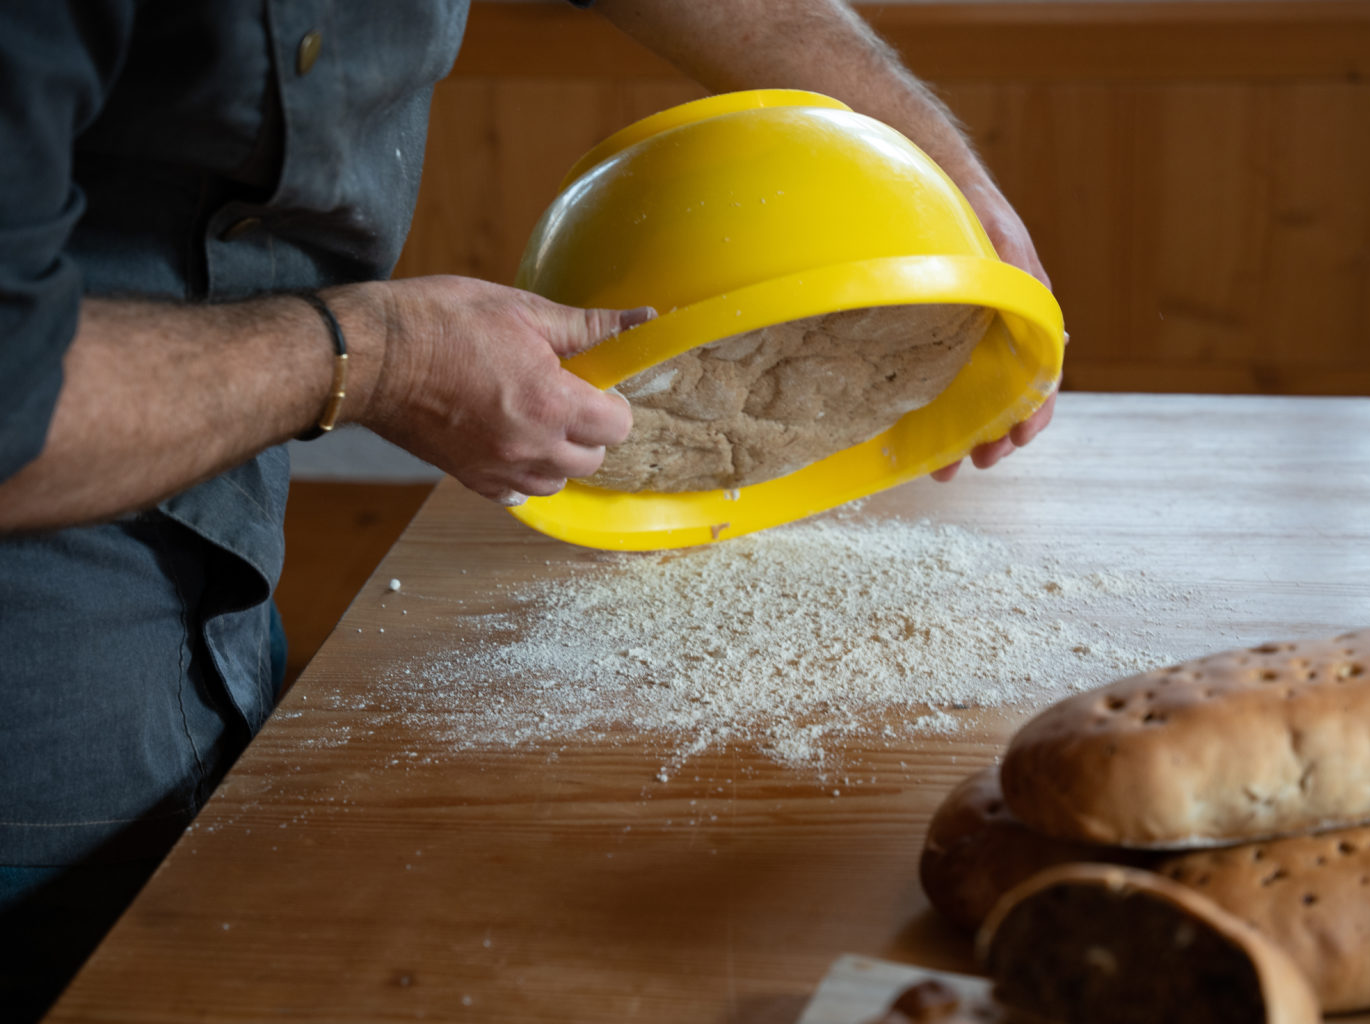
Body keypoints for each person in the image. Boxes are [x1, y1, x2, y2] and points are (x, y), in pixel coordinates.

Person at [0, 0, 1055, 1017]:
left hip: (217, 547)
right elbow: (16, 410)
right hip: (38, 663)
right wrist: (380, 359)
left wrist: (946, 182)